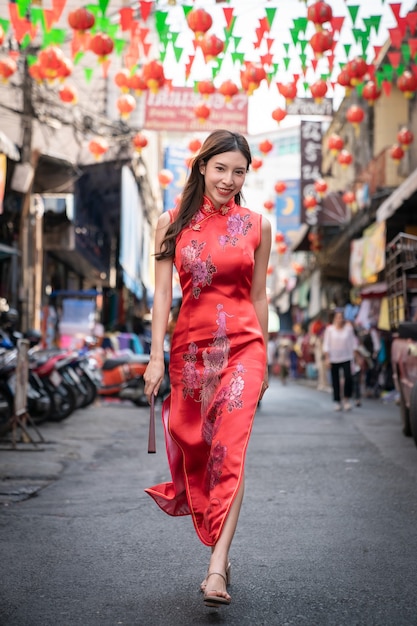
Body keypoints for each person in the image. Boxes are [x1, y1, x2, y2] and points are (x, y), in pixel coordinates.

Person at [143, 130, 271, 608]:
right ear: (202, 167)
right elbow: (161, 294)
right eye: (221, 168)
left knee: (231, 448)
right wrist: (155, 355)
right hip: (192, 352)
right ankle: (219, 545)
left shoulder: (258, 225)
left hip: (243, 348)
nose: (229, 179)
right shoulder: (170, 223)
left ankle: (217, 567)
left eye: (239, 172)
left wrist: (266, 358)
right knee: (204, 448)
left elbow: (258, 296)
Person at [322, 309, 355, 411]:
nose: (339, 319)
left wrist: (355, 357)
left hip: (346, 357)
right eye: (337, 317)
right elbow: (326, 345)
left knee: (348, 378)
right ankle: (337, 401)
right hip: (334, 358)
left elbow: (353, 343)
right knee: (335, 380)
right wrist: (327, 359)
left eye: (341, 317)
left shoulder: (348, 329)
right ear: (334, 318)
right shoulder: (330, 330)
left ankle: (346, 399)